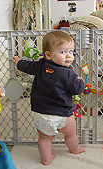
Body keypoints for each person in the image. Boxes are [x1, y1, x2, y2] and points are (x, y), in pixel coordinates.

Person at [12, 30, 85, 165]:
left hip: (42, 114)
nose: (68, 56)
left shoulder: (40, 65)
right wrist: (80, 81)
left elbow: (28, 66)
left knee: (45, 138)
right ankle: (75, 149)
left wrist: (19, 62)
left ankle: (46, 158)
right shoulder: (70, 74)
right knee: (71, 134)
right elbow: (78, 89)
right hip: (63, 115)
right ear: (48, 54)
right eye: (63, 52)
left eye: (71, 51)